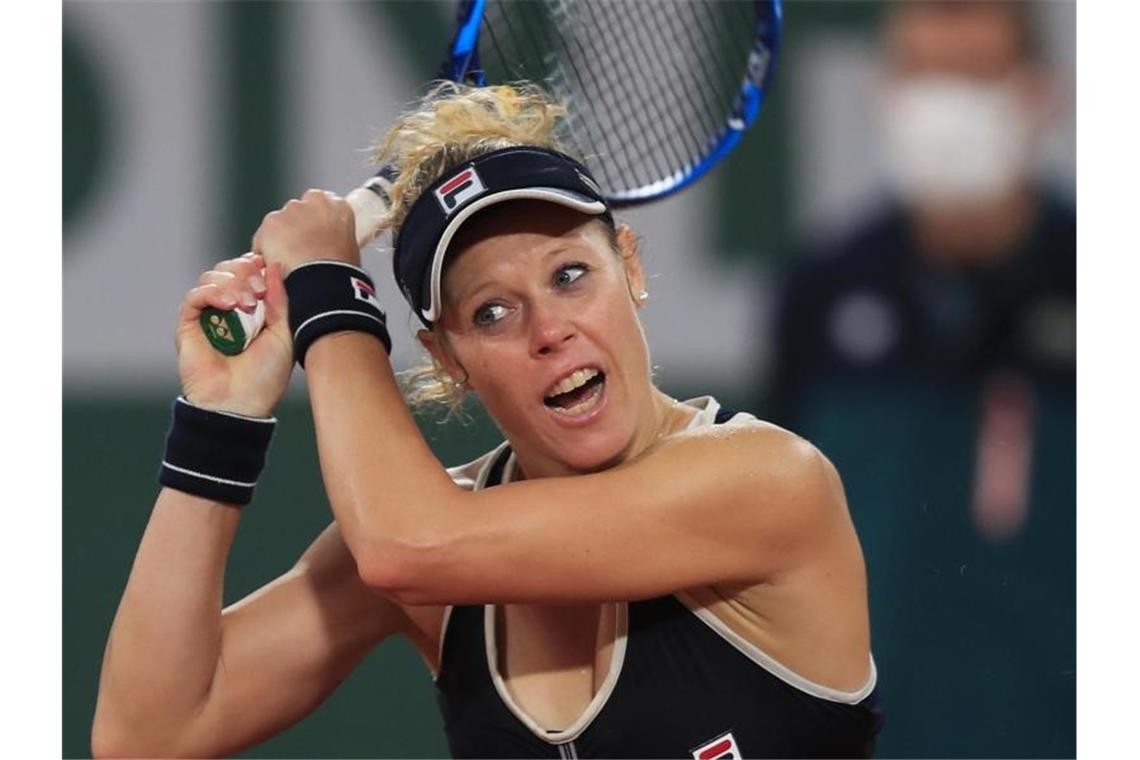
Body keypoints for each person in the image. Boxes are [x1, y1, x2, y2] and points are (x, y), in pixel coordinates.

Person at [93, 84, 881, 759]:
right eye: (493, 311)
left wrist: (329, 292)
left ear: (630, 267)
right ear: (447, 358)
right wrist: (219, 417)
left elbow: (406, 547)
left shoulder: (769, 482)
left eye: (571, 276)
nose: (549, 330)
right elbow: (148, 734)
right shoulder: (436, 545)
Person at [766, 2, 1074, 755]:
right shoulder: (823, 287)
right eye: (922, 74)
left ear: (1041, 94)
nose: (944, 105)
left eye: (973, 75)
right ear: (886, 90)